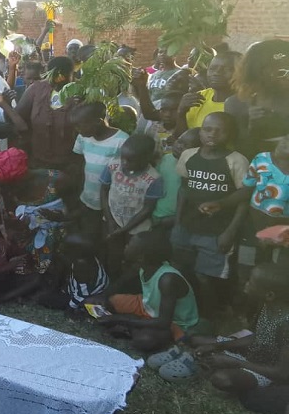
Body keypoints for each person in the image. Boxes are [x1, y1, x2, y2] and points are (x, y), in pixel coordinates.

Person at [172, 112, 249, 314]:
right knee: (183, 271)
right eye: (207, 129)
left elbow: (244, 199)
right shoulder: (189, 155)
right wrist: (177, 222)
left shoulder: (237, 161)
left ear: (229, 134)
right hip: (187, 226)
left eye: (219, 131)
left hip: (217, 231)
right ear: (200, 132)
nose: (212, 134)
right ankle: (186, 312)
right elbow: (183, 190)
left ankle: (209, 315)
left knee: (206, 277)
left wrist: (230, 232)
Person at [189, 263, 289, 396]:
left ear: (269, 295)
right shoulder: (267, 306)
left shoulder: (286, 323)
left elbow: (281, 374)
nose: (245, 284)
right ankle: (217, 362)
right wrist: (217, 346)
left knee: (221, 379)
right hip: (252, 355)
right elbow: (258, 336)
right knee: (196, 339)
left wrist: (236, 362)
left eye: (251, 282)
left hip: (267, 371)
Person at [95, 229, 200, 353]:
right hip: (148, 307)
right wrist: (103, 296)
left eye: (129, 245)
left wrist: (118, 319)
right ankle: (135, 324)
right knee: (109, 301)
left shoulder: (167, 279)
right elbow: (121, 283)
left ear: (140, 257)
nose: (126, 246)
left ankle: (131, 325)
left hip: (173, 322)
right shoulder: (142, 266)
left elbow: (164, 322)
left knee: (145, 340)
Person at [100, 135, 164, 277]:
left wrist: (124, 229)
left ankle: (128, 284)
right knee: (113, 255)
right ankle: (112, 281)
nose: (124, 163)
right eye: (123, 158)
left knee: (133, 259)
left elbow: (148, 208)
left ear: (146, 158)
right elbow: (104, 191)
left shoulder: (153, 178)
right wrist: (110, 220)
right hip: (112, 221)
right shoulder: (113, 166)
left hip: (136, 228)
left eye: (130, 160)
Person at [71, 101, 129, 236]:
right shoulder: (83, 138)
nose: (77, 129)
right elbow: (80, 164)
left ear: (98, 121)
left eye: (80, 125)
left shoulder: (122, 141)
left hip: (111, 204)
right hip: (87, 199)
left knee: (107, 235)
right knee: (89, 233)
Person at [226, 39, 289, 159]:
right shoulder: (236, 104)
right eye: (281, 71)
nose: (287, 75)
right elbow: (236, 152)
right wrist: (250, 128)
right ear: (258, 72)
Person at [15, 56, 79, 169]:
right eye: (54, 77)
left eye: (63, 77)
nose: (58, 81)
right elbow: (17, 117)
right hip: (38, 161)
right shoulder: (36, 89)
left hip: (70, 163)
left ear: (72, 75)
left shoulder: (80, 92)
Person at [175, 49, 241, 136]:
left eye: (226, 69)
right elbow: (181, 138)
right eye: (212, 68)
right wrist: (181, 113)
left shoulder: (245, 103)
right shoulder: (198, 98)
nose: (216, 73)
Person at [153, 128, 201, 229]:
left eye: (186, 146)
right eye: (179, 141)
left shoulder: (196, 171)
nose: (179, 146)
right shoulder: (166, 159)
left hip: (174, 220)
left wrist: (176, 220)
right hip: (154, 215)